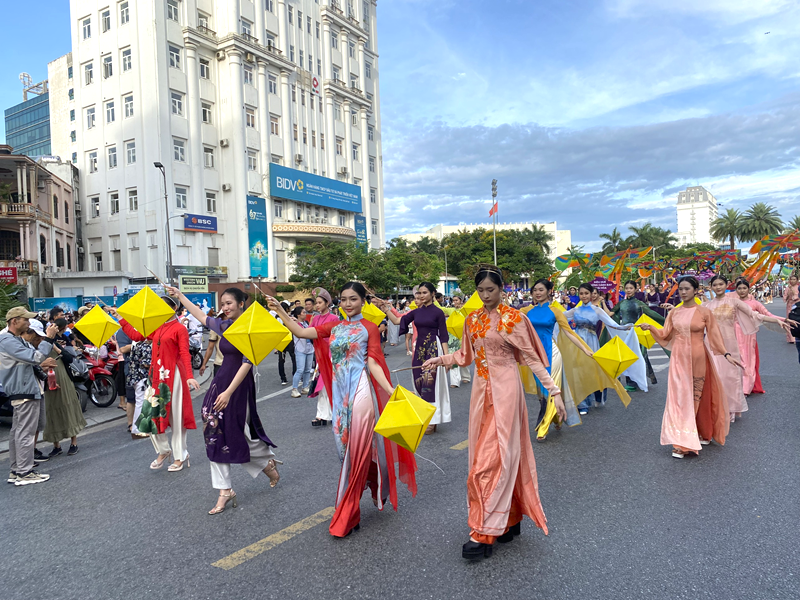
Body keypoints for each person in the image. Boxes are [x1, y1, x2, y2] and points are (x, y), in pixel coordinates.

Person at [422, 267, 566, 560]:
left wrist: (555, 392)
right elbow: (465, 356)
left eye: (491, 290)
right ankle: (510, 519)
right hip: (480, 392)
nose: (485, 296)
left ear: (502, 289)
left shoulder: (514, 318)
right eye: (481, 291)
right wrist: (441, 359)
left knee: (490, 461)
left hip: (507, 391)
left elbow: (532, 358)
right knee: (488, 456)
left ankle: (484, 531)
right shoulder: (471, 319)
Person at [268, 283, 418, 538]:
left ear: (362, 301)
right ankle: (368, 487)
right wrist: (280, 312)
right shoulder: (335, 327)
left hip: (360, 394)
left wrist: (389, 390)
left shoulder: (369, 328)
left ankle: (348, 511)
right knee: (344, 451)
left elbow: (372, 362)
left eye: (353, 299)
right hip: (339, 396)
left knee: (355, 452)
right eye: (344, 300)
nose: (348, 304)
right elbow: (302, 333)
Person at [166, 286, 280, 515]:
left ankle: (264, 461)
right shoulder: (224, 325)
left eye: (229, 303)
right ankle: (225, 489)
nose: (225, 307)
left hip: (237, 386)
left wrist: (228, 393)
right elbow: (200, 315)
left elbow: (248, 362)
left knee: (232, 433)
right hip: (219, 382)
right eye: (222, 303)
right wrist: (179, 296)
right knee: (213, 432)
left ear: (241, 303)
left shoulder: (250, 326)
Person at [639, 276, 740, 459]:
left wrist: (726, 354)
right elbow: (665, 334)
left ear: (695, 290)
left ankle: (703, 432)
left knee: (696, 397)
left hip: (698, 358)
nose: (683, 292)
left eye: (687, 289)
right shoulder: (674, 313)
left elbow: (715, 336)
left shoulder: (703, 312)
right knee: (678, 400)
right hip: (678, 360)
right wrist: (651, 328)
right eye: (680, 289)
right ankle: (682, 442)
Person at [521, 279, 629, 441]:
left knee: (551, 388)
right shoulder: (526, 310)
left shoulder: (555, 312)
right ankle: (556, 417)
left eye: (541, 290)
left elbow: (570, 333)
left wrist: (586, 349)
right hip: (535, 354)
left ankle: (542, 426)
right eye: (535, 290)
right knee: (541, 391)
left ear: (550, 291)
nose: (537, 293)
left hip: (553, 353)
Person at [111, 297, 200, 472]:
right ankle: (163, 450)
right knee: (151, 416)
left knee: (176, 417)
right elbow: (136, 336)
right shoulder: (156, 326)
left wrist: (189, 376)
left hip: (173, 375)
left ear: (174, 307)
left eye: (164, 306)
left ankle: (180, 455)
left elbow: (184, 353)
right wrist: (120, 317)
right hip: (156, 376)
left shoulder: (179, 328)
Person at [706, 275, 791, 421]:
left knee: (730, 377)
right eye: (715, 285)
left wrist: (778, 320)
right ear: (711, 286)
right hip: (711, 343)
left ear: (726, 285)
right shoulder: (706, 305)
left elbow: (755, 315)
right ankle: (716, 408)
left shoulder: (734, 302)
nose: (718, 287)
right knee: (715, 376)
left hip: (730, 344)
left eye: (721, 284)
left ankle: (730, 409)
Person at [380, 282, 450, 434]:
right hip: (419, 349)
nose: (422, 295)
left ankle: (433, 419)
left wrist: (446, 358)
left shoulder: (438, 312)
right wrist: (386, 309)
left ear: (432, 294)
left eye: (425, 292)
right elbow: (397, 320)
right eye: (420, 292)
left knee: (430, 382)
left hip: (433, 348)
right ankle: (425, 415)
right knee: (418, 380)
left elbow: (444, 336)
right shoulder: (416, 312)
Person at [1, 307, 59, 486]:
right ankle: (24, 472)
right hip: (23, 389)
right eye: (25, 320)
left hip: (24, 387)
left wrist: (42, 365)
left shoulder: (13, 339)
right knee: (25, 432)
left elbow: (33, 362)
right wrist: (49, 337)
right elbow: (37, 356)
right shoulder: (7, 340)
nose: (28, 323)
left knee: (19, 431)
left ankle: (17, 470)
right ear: (14, 321)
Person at [562, 283, 636, 415]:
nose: (584, 296)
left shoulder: (597, 310)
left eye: (586, 293)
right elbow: (560, 316)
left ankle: (598, 392)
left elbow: (612, 323)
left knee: (592, 371)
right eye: (581, 293)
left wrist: (628, 327)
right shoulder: (576, 311)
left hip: (592, 342)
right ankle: (582, 404)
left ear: (591, 295)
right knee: (578, 372)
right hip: (578, 342)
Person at [23, 319, 86, 457]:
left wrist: (56, 347)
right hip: (46, 380)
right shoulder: (34, 347)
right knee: (50, 412)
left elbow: (69, 359)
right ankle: (56, 445)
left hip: (63, 378)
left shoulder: (54, 343)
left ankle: (73, 443)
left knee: (67, 407)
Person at [733, 278, 795, 395]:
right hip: (734, 333)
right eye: (739, 288)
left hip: (749, 335)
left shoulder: (754, 303)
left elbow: (767, 315)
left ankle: (746, 388)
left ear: (748, 289)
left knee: (748, 360)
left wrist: (784, 319)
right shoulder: (732, 302)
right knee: (737, 359)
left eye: (744, 288)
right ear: (736, 290)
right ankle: (737, 385)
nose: (741, 291)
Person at [603, 280, 665, 390]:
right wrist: (602, 302)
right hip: (624, 332)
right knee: (627, 356)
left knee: (639, 355)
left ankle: (636, 380)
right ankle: (631, 382)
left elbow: (651, 313)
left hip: (635, 333)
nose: (628, 290)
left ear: (635, 289)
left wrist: (665, 321)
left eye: (631, 288)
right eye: (627, 288)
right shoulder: (621, 303)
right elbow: (609, 315)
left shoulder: (639, 303)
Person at [308, 288, 339, 427]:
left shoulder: (334, 318)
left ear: (327, 303)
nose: (317, 305)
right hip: (320, 357)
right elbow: (309, 334)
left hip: (332, 356)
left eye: (320, 302)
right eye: (316, 302)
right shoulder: (316, 318)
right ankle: (321, 414)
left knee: (331, 385)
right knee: (321, 386)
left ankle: (333, 413)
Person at [290, 306, 314, 397]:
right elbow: (303, 332)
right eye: (303, 312)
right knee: (300, 369)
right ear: (299, 314)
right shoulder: (295, 324)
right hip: (300, 349)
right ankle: (294, 389)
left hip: (309, 348)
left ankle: (305, 387)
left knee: (307, 370)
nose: (305, 314)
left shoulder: (305, 323)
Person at [783, 274, 799, 343]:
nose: (792, 281)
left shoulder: (798, 288)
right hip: (789, 306)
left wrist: (793, 292)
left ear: (797, 280)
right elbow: (785, 298)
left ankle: (797, 335)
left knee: (797, 320)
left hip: (797, 306)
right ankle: (791, 338)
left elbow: (796, 297)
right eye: (791, 279)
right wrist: (788, 295)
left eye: (794, 279)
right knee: (789, 321)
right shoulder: (787, 288)